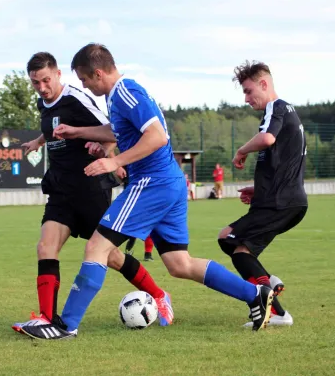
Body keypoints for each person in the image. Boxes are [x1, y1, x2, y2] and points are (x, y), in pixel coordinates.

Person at [19, 43, 274, 340]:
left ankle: (66, 325)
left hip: (151, 182)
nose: (84, 85)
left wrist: (114, 160)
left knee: (97, 248)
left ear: (98, 73)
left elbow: (157, 136)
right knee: (180, 264)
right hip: (169, 183)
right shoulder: (118, 97)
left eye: (85, 79)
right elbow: (118, 131)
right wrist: (77, 132)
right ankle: (255, 294)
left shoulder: (127, 91)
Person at [12, 52, 171, 332]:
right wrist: (38, 141)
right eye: (35, 83)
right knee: (45, 246)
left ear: (59, 74)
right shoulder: (43, 103)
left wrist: (109, 155)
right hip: (61, 188)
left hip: (90, 188)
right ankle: (47, 319)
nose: (42, 88)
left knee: (110, 256)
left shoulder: (77, 99)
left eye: (46, 80)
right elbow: (52, 128)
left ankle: (158, 295)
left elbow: (113, 132)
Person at [217, 60, 309, 328]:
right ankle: (278, 312)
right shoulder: (288, 112)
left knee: (227, 238)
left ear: (264, 84)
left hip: (280, 203)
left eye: (248, 91)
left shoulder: (276, 107)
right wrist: (259, 190)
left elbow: (267, 139)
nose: (246, 98)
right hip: (283, 200)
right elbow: (286, 161)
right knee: (241, 250)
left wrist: (241, 150)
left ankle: (267, 285)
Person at [121, 166, 154, 261]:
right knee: (133, 228)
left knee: (148, 227)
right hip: (133, 199)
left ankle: (147, 253)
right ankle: (129, 251)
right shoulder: (129, 166)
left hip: (146, 198)